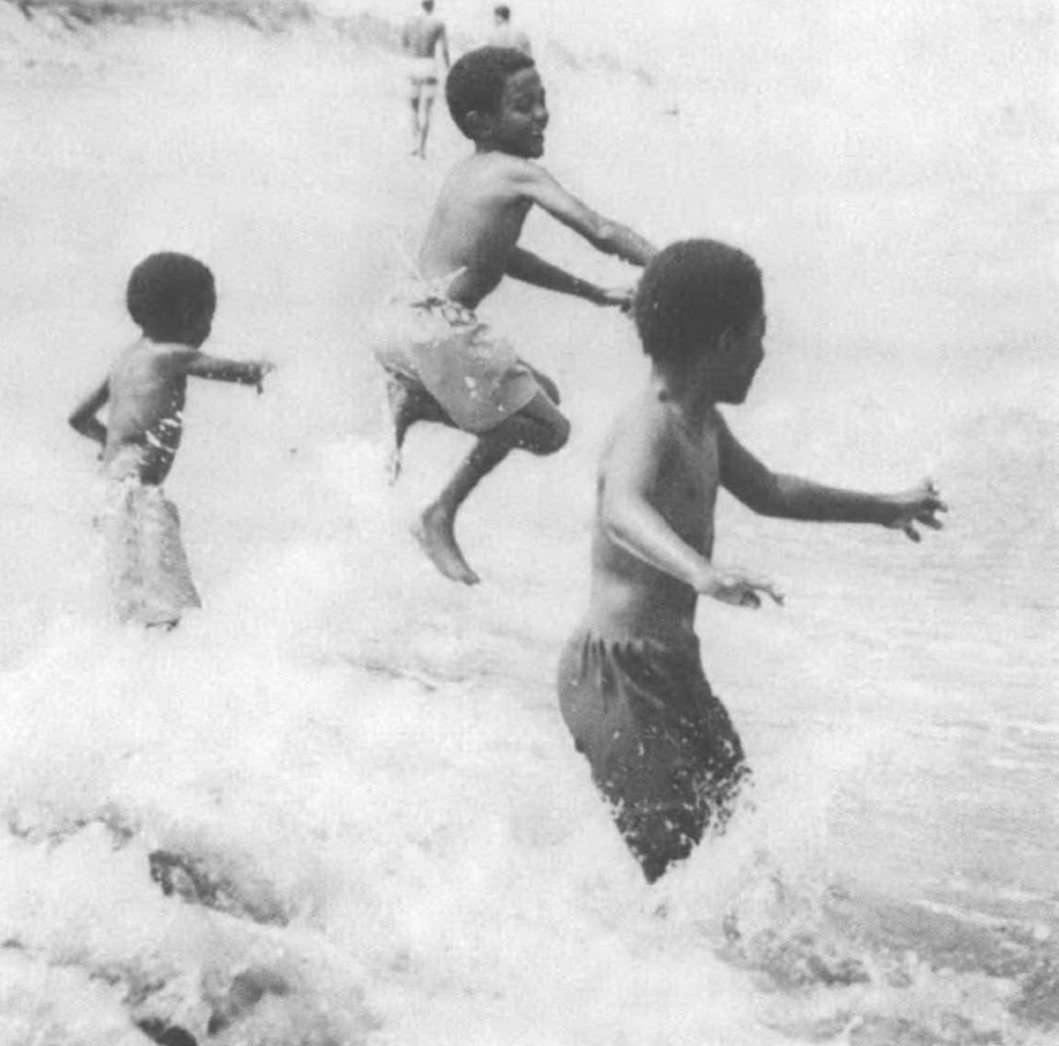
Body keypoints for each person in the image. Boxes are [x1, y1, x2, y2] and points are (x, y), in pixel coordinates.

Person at [557, 239, 948, 882]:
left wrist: (881, 507)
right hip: (615, 679)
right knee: (679, 871)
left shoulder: (702, 422)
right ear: (721, 342)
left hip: (672, 670)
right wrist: (700, 572)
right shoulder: (647, 427)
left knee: (736, 842)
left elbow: (770, 491)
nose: (765, 354)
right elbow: (622, 508)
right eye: (758, 336)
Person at [372, 45, 659, 585]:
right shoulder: (519, 174)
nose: (543, 114)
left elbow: (502, 257)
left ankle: (430, 463)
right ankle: (437, 504)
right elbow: (598, 229)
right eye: (526, 105)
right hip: (438, 330)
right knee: (551, 433)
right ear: (483, 120)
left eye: (543, 100)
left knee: (540, 390)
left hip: (401, 319)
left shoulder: (470, 171)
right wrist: (670, 265)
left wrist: (594, 293)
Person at [68, 252, 274, 628]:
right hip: (138, 496)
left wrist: (109, 443)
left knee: (134, 607)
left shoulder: (123, 361)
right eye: (208, 314)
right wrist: (268, 370)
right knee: (172, 608)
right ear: (188, 314)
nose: (209, 327)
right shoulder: (171, 354)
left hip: (112, 494)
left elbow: (78, 418)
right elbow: (234, 371)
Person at [401, 0, 451, 158]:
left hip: (414, 64)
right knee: (427, 111)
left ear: (421, 4)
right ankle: (422, 149)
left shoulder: (408, 22)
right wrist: (449, 69)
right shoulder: (438, 23)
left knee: (413, 110)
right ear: (433, 5)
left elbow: (404, 45)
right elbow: (444, 51)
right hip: (429, 65)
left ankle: (415, 143)